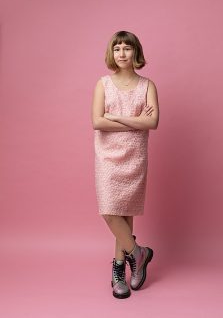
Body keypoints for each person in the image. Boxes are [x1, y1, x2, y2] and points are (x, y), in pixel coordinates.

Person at [92, 31, 158, 299]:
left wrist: (115, 116)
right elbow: (97, 121)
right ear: (112, 53)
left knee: (126, 212)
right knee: (110, 211)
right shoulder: (103, 84)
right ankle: (138, 253)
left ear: (136, 53)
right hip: (108, 157)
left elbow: (152, 123)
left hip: (135, 156)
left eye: (127, 48)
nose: (121, 53)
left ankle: (119, 269)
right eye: (117, 48)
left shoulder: (148, 86)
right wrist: (134, 119)